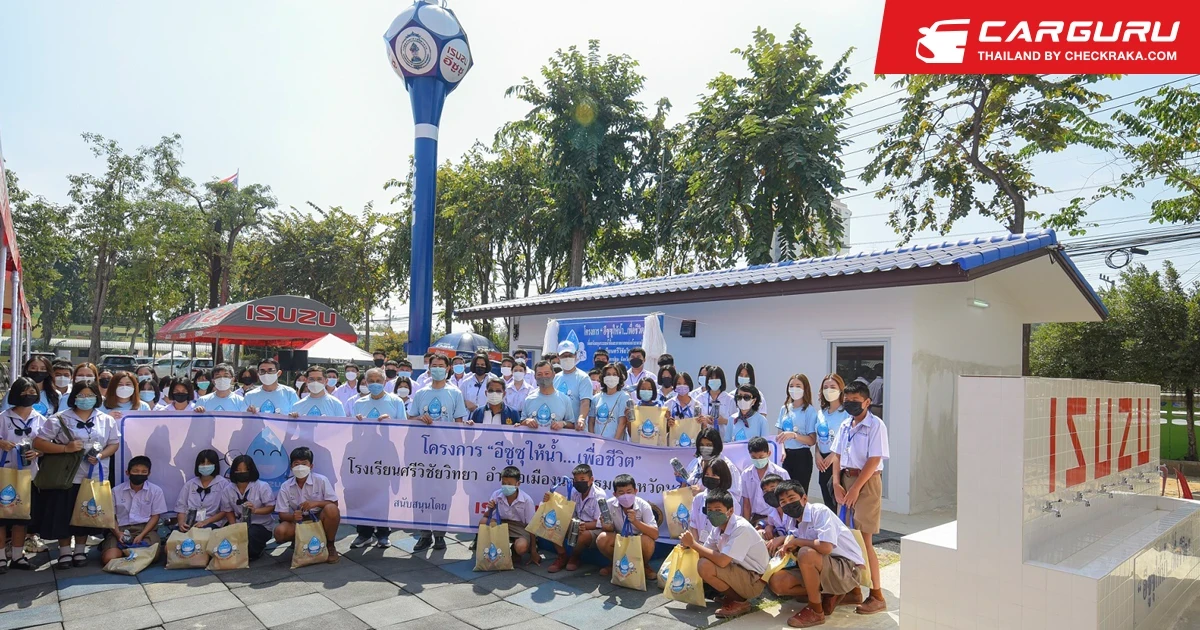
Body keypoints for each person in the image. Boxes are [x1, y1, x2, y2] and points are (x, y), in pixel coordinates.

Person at [32, 380, 120, 568]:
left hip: (93, 475)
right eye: (82, 395)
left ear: (97, 397)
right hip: (66, 476)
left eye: (90, 395)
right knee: (63, 513)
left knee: (86, 513)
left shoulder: (106, 419)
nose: (86, 399)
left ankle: (80, 550)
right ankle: (64, 551)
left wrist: (101, 455)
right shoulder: (60, 418)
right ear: (74, 397)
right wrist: (65, 448)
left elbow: (114, 443)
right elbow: (38, 442)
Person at [769, 480, 866, 627]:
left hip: (848, 569)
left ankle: (816, 610)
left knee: (806, 553)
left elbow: (826, 547)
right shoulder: (791, 520)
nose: (788, 503)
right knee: (777, 582)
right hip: (826, 567)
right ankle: (841, 594)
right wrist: (786, 544)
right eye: (783, 501)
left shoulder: (819, 511)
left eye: (791, 498)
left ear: (804, 498)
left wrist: (797, 542)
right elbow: (794, 536)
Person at [831, 381, 889, 615]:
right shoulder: (845, 424)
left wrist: (856, 489)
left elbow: (874, 460)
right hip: (845, 481)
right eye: (847, 401)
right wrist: (836, 483)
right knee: (846, 538)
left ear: (867, 402)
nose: (850, 405)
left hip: (866, 483)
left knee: (864, 539)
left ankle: (876, 594)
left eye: (855, 402)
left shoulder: (876, 425)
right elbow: (836, 454)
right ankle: (853, 589)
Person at [679, 489, 769, 619]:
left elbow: (722, 561)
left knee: (704, 566)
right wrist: (688, 546)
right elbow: (704, 552)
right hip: (740, 572)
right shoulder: (717, 529)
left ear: (730, 511)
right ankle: (732, 598)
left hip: (753, 580)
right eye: (709, 510)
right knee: (703, 563)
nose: (713, 513)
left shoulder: (741, 527)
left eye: (718, 510)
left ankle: (740, 602)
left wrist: (693, 544)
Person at [0, 378, 45, 571]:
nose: (28, 395)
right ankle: (1, 556)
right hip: (5, 474)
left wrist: (38, 452)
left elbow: (46, 444)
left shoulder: (40, 419)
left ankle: (18, 555)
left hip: (29, 474)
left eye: (32, 392)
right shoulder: (3, 417)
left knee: (22, 516)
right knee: (2, 517)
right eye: (24, 392)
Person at [273, 446, 341, 563]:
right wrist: (293, 517)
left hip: (319, 519)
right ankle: (299, 541)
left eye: (304, 464)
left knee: (331, 509)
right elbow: (282, 514)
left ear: (311, 466)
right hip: (299, 521)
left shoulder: (321, 480)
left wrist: (316, 504)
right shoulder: (286, 486)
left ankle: (330, 546)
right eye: (296, 464)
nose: (300, 467)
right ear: (291, 467)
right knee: (280, 532)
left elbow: (334, 503)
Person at [99, 455, 167, 566]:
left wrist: (141, 535)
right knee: (109, 559)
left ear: (148, 474)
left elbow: (155, 516)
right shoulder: (116, 491)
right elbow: (110, 516)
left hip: (145, 530)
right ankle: (129, 553)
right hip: (121, 529)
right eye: (136, 471)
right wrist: (117, 534)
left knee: (153, 556)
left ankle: (129, 554)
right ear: (128, 472)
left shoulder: (155, 491)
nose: (139, 474)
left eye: (143, 471)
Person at [547, 464, 608, 573]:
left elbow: (599, 523)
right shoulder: (574, 493)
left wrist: (582, 525)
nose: (578, 482)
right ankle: (562, 556)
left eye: (582, 479)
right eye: (575, 479)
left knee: (582, 535)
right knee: (551, 524)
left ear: (591, 480)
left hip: (594, 528)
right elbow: (568, 512)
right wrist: (549, 500)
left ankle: (575, 557)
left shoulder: (600, 496)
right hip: (577, 524)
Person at [595, 474, 656, 577]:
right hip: (619, 538)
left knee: (647, 541)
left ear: (635, 491)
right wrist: (606, 526)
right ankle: (615, 564)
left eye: (629, 492)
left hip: (637, 540)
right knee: (602, 538)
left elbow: (655, 534)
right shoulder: (608, 505)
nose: (626, 496)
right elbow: (607, 530)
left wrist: (636, 522)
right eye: (621, 493)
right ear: (615, 494)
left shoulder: (643, 505)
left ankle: (643, 566)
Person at [482, 466, 537, 565]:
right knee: (483, 522)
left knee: (521, 547)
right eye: (503, 483)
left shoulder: (526, 500)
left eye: (509, 484)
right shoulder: (496, 494)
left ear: (518, 484)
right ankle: (491, 549)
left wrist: (533, 551)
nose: (506, 486)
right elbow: (486, 515)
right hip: (502, 523)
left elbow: (531, 526)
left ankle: (515, 551)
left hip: (519, 527)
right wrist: (491, 508)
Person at [226, 454, 277, 559]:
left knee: (250, 539)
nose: (242, 473)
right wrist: (233, 526)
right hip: (239, 524)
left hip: (260, 526)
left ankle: (257, 549)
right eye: (238, 470)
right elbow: (228, 510)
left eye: (245, 470)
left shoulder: (262, 486)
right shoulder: (228, 489)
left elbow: (271, 507)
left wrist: (255, 510)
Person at [776, 375, 819, 493]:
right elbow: (779, 435)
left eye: (798, 386)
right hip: (785, 456)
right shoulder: (784, 409)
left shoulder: (809, 410)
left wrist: (794, 435)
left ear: (805, 389)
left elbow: (812, 440)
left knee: (799, 493)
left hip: (802, 456)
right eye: (791, 386)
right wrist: (782, 450)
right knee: (784, 492)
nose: (794, 389)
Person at [175, 449, 234, 532]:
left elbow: (225, 510)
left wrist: (205, 522)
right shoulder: (190, 484)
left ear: (215, 465)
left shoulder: (223, 484)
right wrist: (181, 523)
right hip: (189, 523)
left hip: (212, 523)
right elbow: (181, 507)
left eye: (209, 463)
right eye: (202, 463)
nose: (205, 466)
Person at [814, 375, 849, 508]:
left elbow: (846, 440)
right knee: (828, 501)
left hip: (838, 461)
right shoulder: (821, 413)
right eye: (825, 387)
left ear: (841, 389)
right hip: (823, 463)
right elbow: (817, 438)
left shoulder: (846, 413)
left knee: (839, 502)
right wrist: (817, 454)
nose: (829, 390)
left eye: (833, 387)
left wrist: (833, 455)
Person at [686, 427, 743, 504]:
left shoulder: (728, 466)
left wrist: (704, 494)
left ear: (716, 445)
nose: (705, 448)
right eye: (702, 445)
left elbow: (734, 498)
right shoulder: (694, 463)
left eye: (709, 445)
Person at [408, 354, 468, 425]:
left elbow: (459, 422)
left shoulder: (456, 393)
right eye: (434, 366)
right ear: (429, 368)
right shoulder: (420, 393)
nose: (437, 369)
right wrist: (419, 419)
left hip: (446, 435)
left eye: (441, 366)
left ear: (447, 368)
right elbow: (411, 419)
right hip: (424, 435)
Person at [741, 437, 789, 521]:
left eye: (761, 457)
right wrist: (747, 524)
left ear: (769, 453)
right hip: (755, 517)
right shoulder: (746, 474)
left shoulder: (781, 473)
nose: (758, 460)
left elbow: (787, 499)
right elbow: (746, 503)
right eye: (754, 457)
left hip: (776, 518)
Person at [519, 360, 575, 431]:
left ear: (553, 374)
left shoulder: (565, 399)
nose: (543, 377)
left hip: (555, 441)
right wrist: (526, 422)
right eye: (539, 374)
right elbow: (521, 422)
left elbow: (572, 424)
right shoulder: (529, 399)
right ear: (535, 377)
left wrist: (563, 423)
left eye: (547, 373)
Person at [690, 458, 734, 543]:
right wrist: (697, 547)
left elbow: (730, 530)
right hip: (700, 546)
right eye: (707, 474)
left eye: (714, 475)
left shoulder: (731, 500)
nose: (710, 478)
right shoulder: (698, 498)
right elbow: (693, 525)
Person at [552, 341, 592, 427]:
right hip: (556, 428)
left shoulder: (583, 378)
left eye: (570, 355)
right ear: (558, 357)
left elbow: (585, 402)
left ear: (575, 355)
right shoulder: (555, 378)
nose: (567, 358)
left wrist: (581, 418)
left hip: (576, 429)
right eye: (564, 356)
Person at [589, 364, 629, 440]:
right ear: (603, 377)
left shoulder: (624, 396)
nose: (611, 377)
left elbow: (622, 423)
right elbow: (591, 422)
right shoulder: (596, 398)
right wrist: (593, 439)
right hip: (598, 443)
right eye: (608, 374)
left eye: (614, 374)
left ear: (619, 377)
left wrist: (614, 442)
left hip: (616, 444)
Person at [695, 366, 734, 432]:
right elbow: (695, 420)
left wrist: (724, 421)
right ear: (707, 380)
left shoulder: (730, 399)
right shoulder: (699, 398)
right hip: (705, 437)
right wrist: (704, 419)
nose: (714, 380)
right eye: (711, 378)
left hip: (725, 439)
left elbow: (735, 422)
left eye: (717, 378)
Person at [757, 474, 790, 552]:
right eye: (766, 491)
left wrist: (782, 539)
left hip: (795, 546)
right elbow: (769, 522)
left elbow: (801, 535)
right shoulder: (772, 511)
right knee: (759, 534)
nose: (770, 493)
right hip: (780, 545)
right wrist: (768, 527)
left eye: (773, 489)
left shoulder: (793, 509)